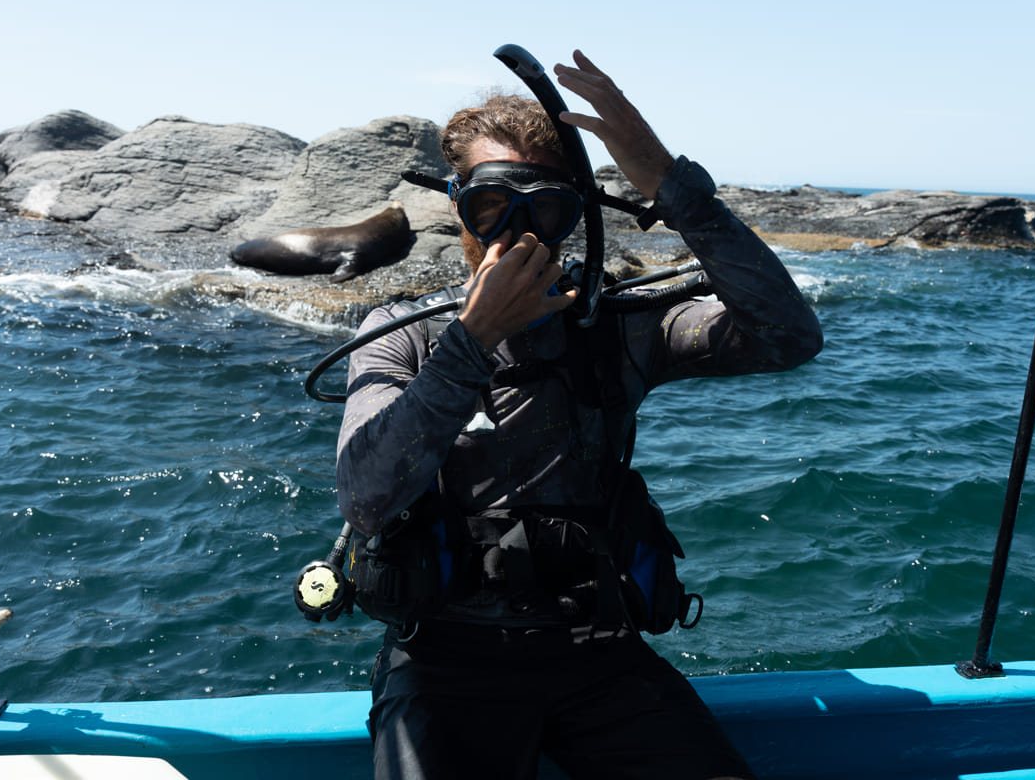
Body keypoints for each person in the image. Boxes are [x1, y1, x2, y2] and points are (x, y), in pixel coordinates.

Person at [335, 50, 823, 780]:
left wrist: (671, 185)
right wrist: (473, 341)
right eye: (491, 205)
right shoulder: (406, 334)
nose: (519, 231)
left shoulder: (620, 329)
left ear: (577, 214)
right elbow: (366, 498)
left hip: (597, 649)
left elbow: (788, 336)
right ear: (459, 205)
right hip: (443, 658)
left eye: (547, 208)